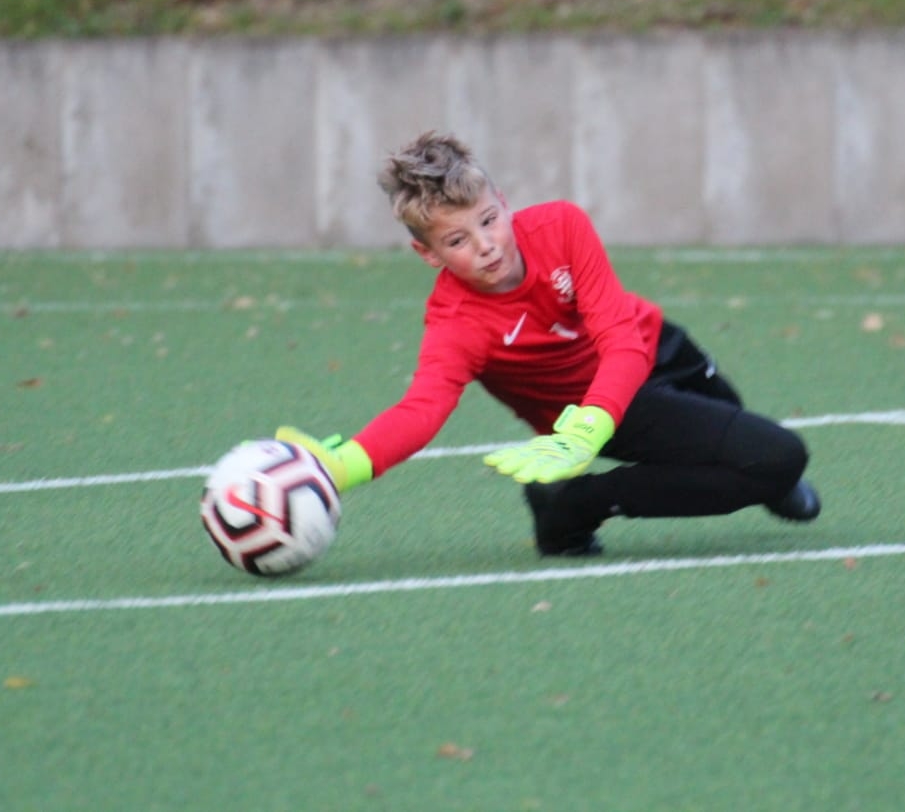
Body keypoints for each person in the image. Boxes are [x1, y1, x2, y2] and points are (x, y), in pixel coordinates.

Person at [278, 131, 818, 557]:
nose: (487, 246)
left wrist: (591, 427)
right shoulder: (456, 325)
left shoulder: (561, 225)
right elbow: (421, 410)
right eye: (458, 240)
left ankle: (764, 485)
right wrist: (338, 468)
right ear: (429, 254)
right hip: (600, 407)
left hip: (654, 347)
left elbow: (621, 338)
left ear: (504, 203)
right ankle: (578, 503)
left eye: (490, 221)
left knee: (734, 429)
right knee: (777, 458)